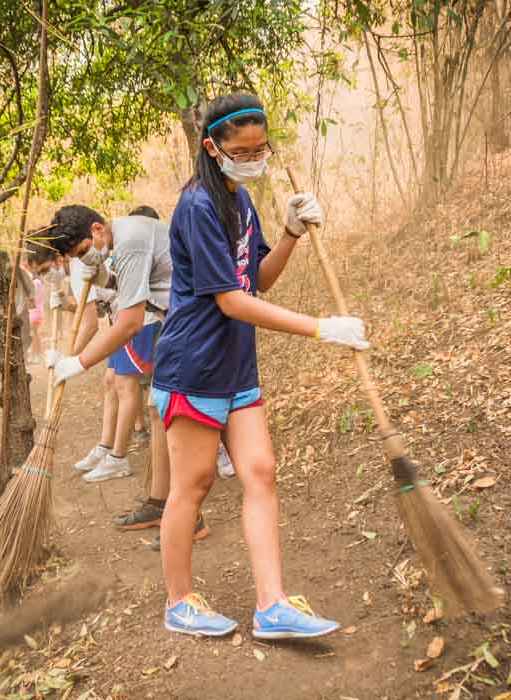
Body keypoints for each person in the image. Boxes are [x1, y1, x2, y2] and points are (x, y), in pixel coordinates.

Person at [151, 93, 369, 638]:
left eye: (260, 148)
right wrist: (320, 327)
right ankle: (179, 603)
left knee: (261, 472)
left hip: (236, 366)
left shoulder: (240, 201)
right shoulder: (198, 205)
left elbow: (258, 280)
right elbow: (230, 300)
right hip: (193, 366)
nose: (253, 158)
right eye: (241, 150)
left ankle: (271, 605)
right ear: (212, 147)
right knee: (194, 484)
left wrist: (292, 232)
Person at [46, 205, 217, 543]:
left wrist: (77, 362)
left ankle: (189, 516)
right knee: (157, 411)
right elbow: (132, 287)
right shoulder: (122, 239)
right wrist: (101, 277)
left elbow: (129, 323)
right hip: (178, 319)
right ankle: (159, 502)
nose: (83, 259)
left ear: (97, 229)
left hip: (199, 319)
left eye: (83, 252)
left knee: (174, 415)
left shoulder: (131, 241)